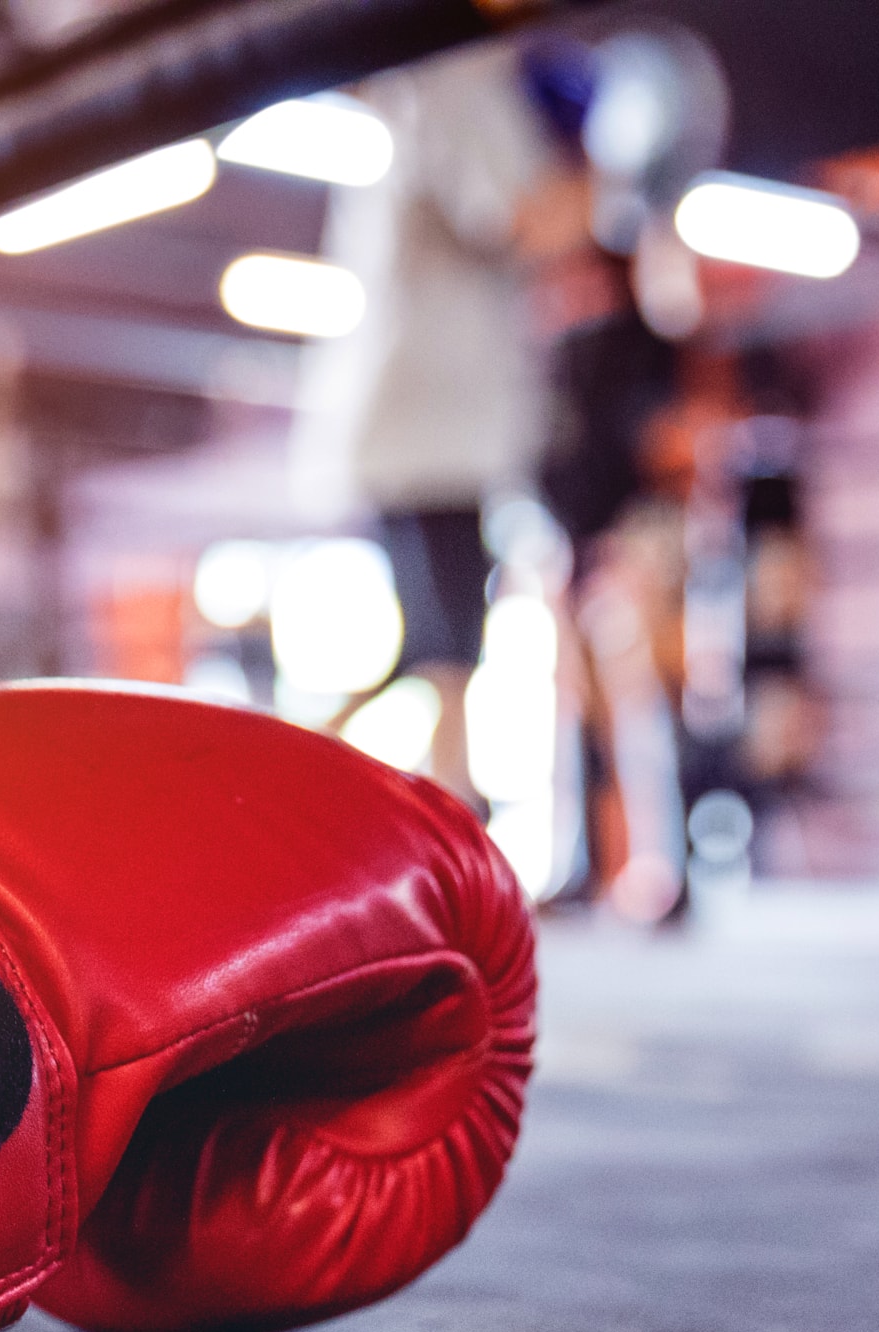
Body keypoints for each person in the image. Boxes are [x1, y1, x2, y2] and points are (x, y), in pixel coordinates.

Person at [292, 42, 564, 819]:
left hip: (411, 420)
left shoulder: (423, 86)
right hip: (434, 426)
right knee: (448, 641)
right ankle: (452, 805)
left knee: (435, 639)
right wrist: (613, 183)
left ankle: (437, 793)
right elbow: (519, 221)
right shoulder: (457, 82)